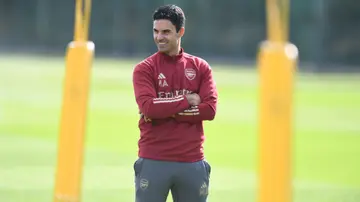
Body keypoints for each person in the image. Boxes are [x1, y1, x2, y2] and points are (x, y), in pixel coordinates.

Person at [131, 4, 218, 202]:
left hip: (192, 160)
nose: (159, 37)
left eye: (166, 32)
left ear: (181, 32)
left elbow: (210, 110)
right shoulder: (144, 69)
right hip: (154, 158)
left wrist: (164, 110)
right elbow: (148, 107)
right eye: (156, 31)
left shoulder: (200, 67)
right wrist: (187, 100)